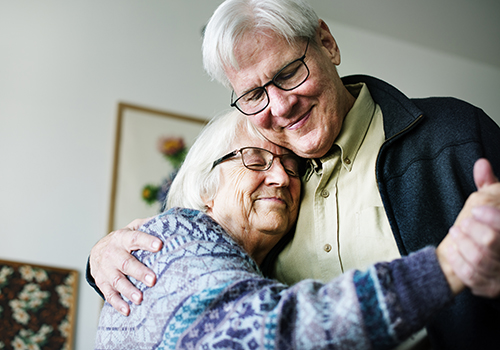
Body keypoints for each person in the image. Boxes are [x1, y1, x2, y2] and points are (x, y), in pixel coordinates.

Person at [89, 0, 500, 348]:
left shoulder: (455, 133)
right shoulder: (208, 231)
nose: (281, 107)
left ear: (327, 43)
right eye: (253, 95)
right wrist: (100, 260)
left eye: (288, 73)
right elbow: (257, 325)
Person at [95, 110, 483, 349]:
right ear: (205, 185)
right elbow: (271, 334)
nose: (281, 177)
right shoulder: (175, 237)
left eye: (291, 166)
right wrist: (447, 265)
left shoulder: (253, 268)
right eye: (256, 159)